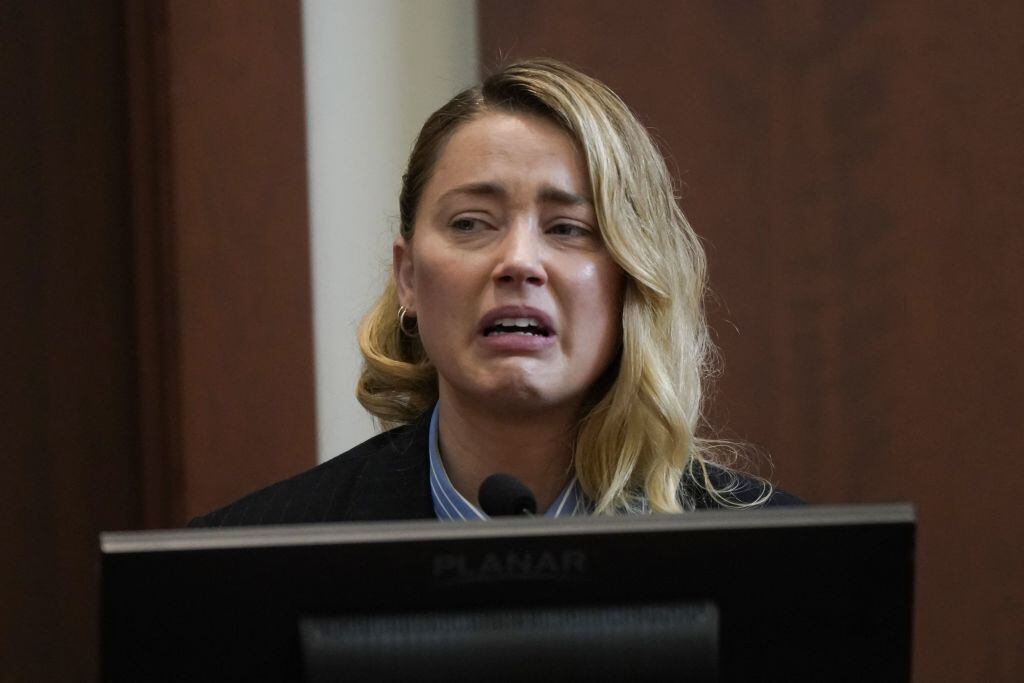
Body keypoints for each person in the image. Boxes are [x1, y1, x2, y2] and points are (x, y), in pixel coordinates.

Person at [190, 59, 799, 528]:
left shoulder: (779, 558)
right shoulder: (248, 558)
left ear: (630, 281)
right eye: (471, 223)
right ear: (409, 278)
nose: (518, 262)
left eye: (568, 228)